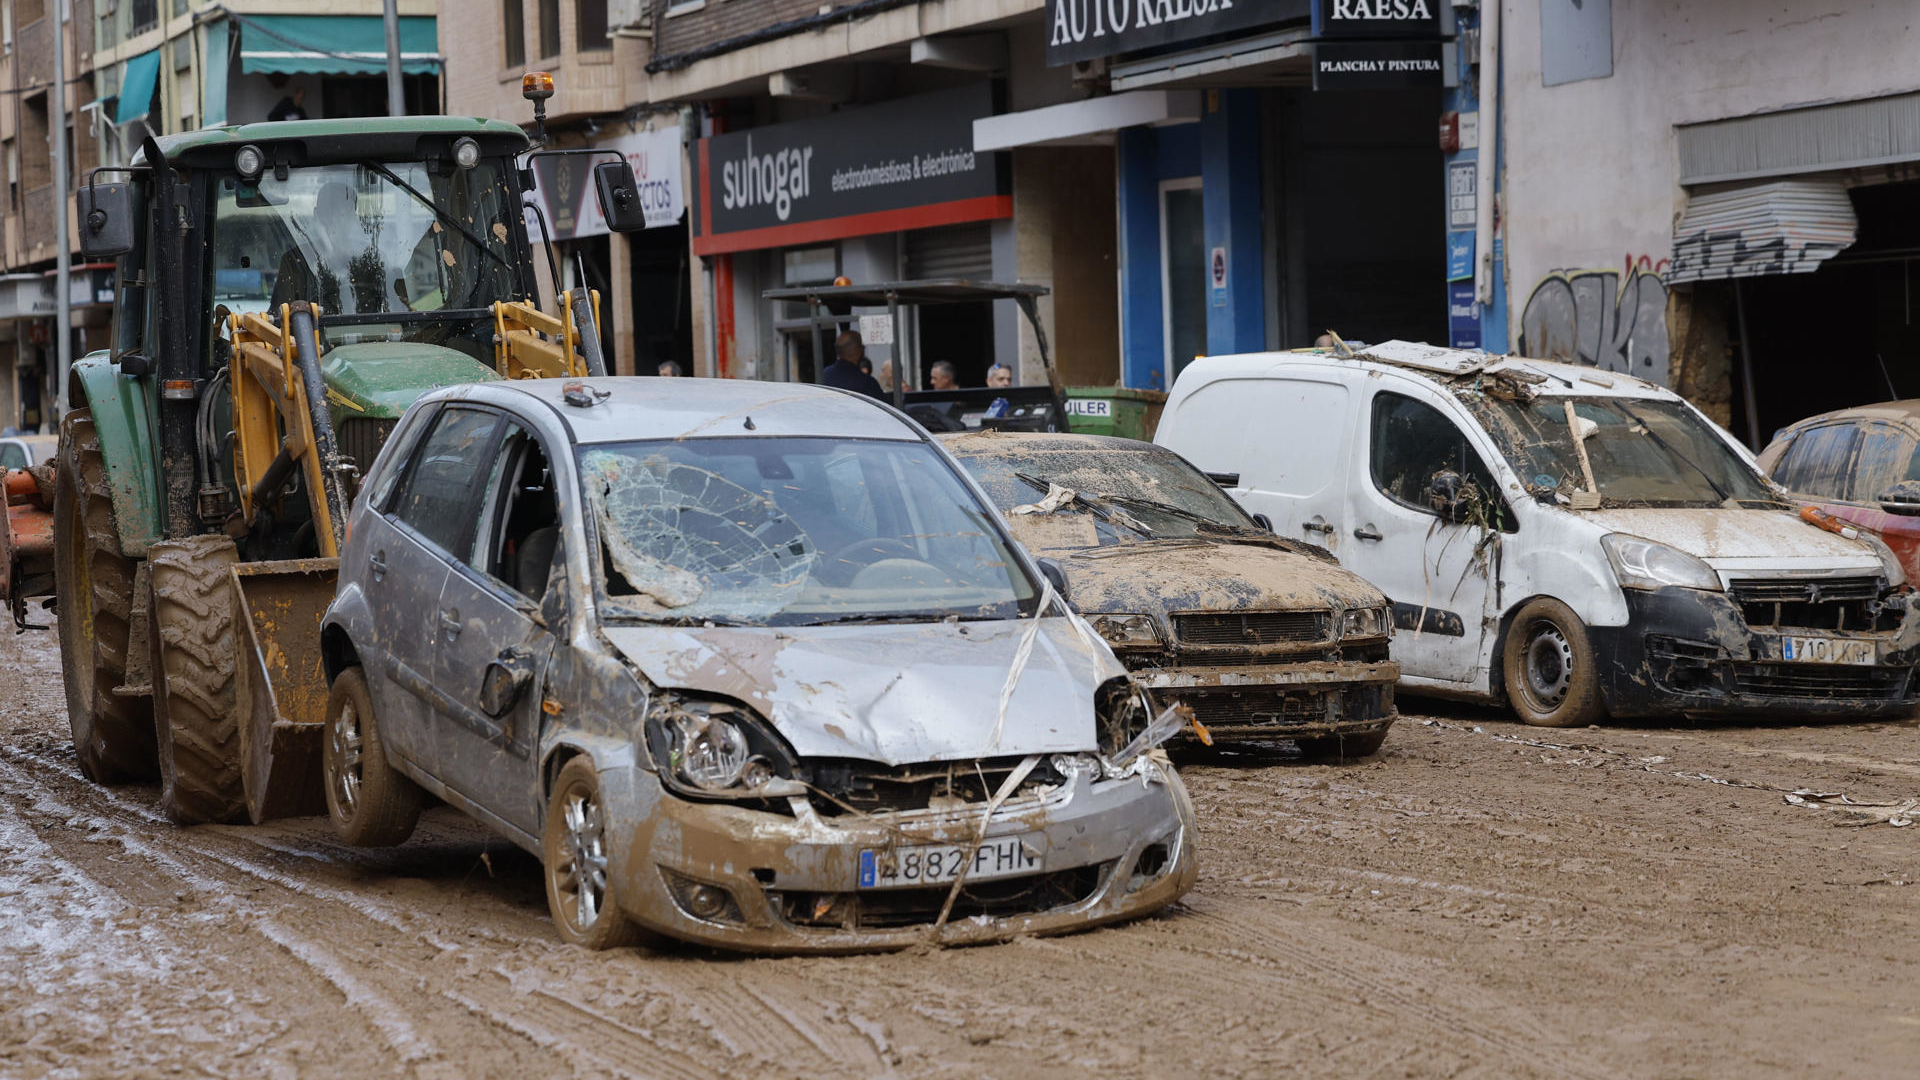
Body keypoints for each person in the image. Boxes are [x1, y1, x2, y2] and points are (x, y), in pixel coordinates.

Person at [820, 331, 886, 399]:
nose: (864, 348)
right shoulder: (866, 382)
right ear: (858, 349)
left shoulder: (824, 375)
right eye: (862, 346)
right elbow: (882, 407)